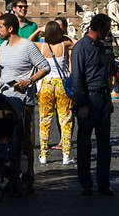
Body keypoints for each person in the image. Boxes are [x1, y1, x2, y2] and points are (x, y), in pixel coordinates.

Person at [0, 13, 48, 192]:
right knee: (6, 139)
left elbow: (45, 66)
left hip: (24, 101)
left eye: (0, 27)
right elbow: (3, 74)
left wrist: (29, 81)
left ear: (10, 29)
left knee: (24, 140)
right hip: (5, 99)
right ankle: (10, 173)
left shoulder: (27, 46)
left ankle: (28, 178)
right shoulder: (4, 47)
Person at [71, 13, 114, 196]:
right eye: (108, 28)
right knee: (84, 144)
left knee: (105, 144)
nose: (109, 32)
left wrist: (109, 99)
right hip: (88, 99)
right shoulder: (80, 47)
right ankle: (86, 183)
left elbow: (104, 75)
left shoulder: (101, 47)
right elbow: (77, 79)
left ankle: (103, 182)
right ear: (100, 28)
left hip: (103, 98)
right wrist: (81, 105)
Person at [37, 20, 74, 166]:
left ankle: (44, 154)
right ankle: (66, 155)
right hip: (62, 84)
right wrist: (64, 35)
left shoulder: (42, 46)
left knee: (44, 121)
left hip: (46, 83)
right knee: (65, 120)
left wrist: (38, 30)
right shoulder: (64, 45)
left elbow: (26, 42)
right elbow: (77, 42)